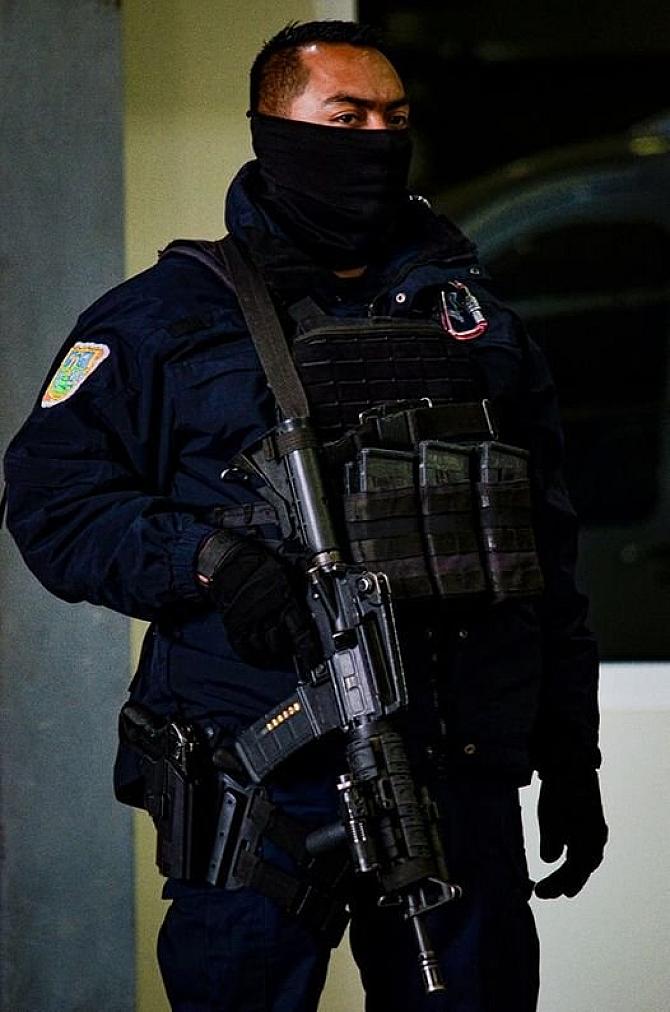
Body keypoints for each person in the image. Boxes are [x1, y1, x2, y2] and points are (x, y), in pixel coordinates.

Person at [3, 19, 608, 1012]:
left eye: (393, 120)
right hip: (257, 783)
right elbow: (54, 502)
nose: (376, 141)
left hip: (454, 775)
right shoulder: (160, 318)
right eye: (346, 118)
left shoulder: (475, 323)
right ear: (272, 128)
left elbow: (543, 555)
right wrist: (206, 559)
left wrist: (570, 752)